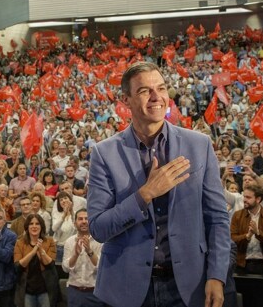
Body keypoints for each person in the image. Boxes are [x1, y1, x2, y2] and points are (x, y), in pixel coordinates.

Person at [87, 62, 230, 307]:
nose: (157, 97)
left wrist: (217, 275)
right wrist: (144, 195)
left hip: (187, 287)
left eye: (161, 88)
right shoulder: (103, 153)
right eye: (144, 91)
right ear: (126, 100)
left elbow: (217, 218)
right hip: (126, 289)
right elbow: (98, 228)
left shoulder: (199, 145)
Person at [230, 184, 263, 276]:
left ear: (258, 199)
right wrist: (247, 236)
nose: (244, 200)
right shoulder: (237, 215)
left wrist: (258, 233)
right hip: (242, 264)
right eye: (244, 196)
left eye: (248, 197)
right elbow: (232, 239)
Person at [62, 209, 104, 307]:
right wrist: (75, 255)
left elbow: (101, 267)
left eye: (87, 219)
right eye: (80, 219)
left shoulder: (100, 241)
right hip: (74, 291)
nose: (84, 221)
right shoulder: (69, 242)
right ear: (75, 223)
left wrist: (89, 251)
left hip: (95, 292)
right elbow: (65, 268)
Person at [13, 214, 58, 307]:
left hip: (45, 289)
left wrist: (41, 250)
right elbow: (19, 266)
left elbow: (50, 264)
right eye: (31, 224)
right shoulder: (20, 243)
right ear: (27, 227)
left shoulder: (50, 241)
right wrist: (33, 251)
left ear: (41, 226)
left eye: (37, 224)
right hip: (27, 290)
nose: (34, 226)